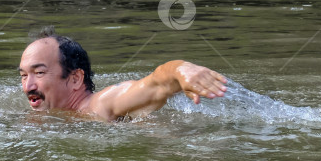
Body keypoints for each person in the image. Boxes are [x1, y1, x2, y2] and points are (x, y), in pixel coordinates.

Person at [18, 27, 227, 121]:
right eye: (24, 75)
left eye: (39, 72)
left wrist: (181, 69)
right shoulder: (45, 118)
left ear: (75, 79)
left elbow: (156, 85)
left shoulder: (100, 104)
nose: (28, 86)